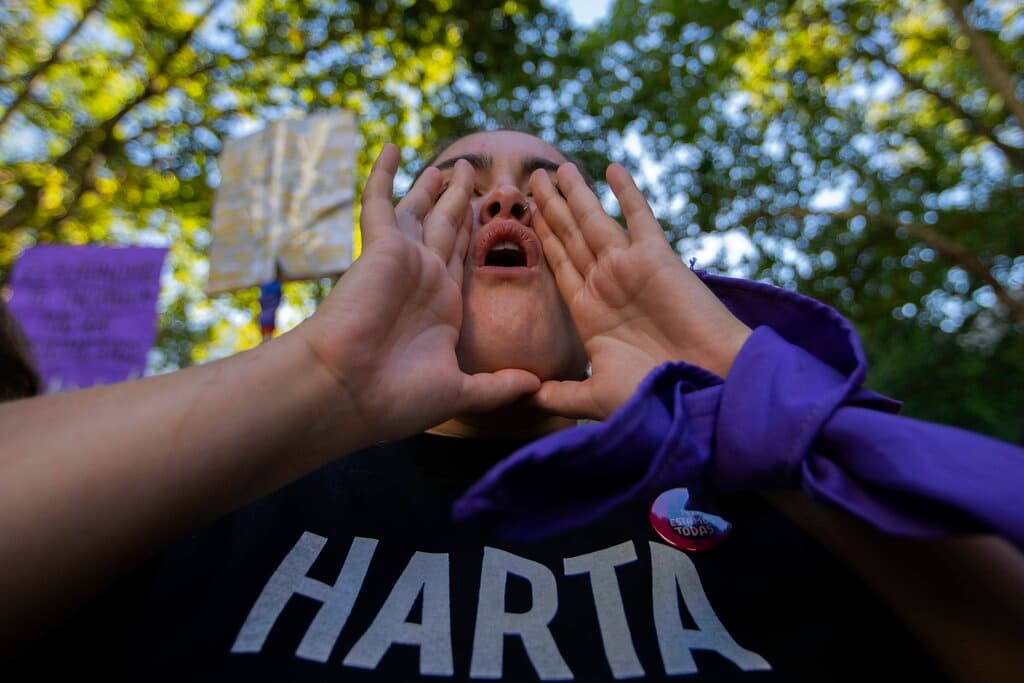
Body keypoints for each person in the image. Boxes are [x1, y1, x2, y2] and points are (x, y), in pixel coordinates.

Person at [1, 130, 1022, 681]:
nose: (503, 198)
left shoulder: (768, 489)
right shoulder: (218, 489)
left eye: (548, 186)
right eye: (452, 186)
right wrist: (319, 375)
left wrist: (727, 380)